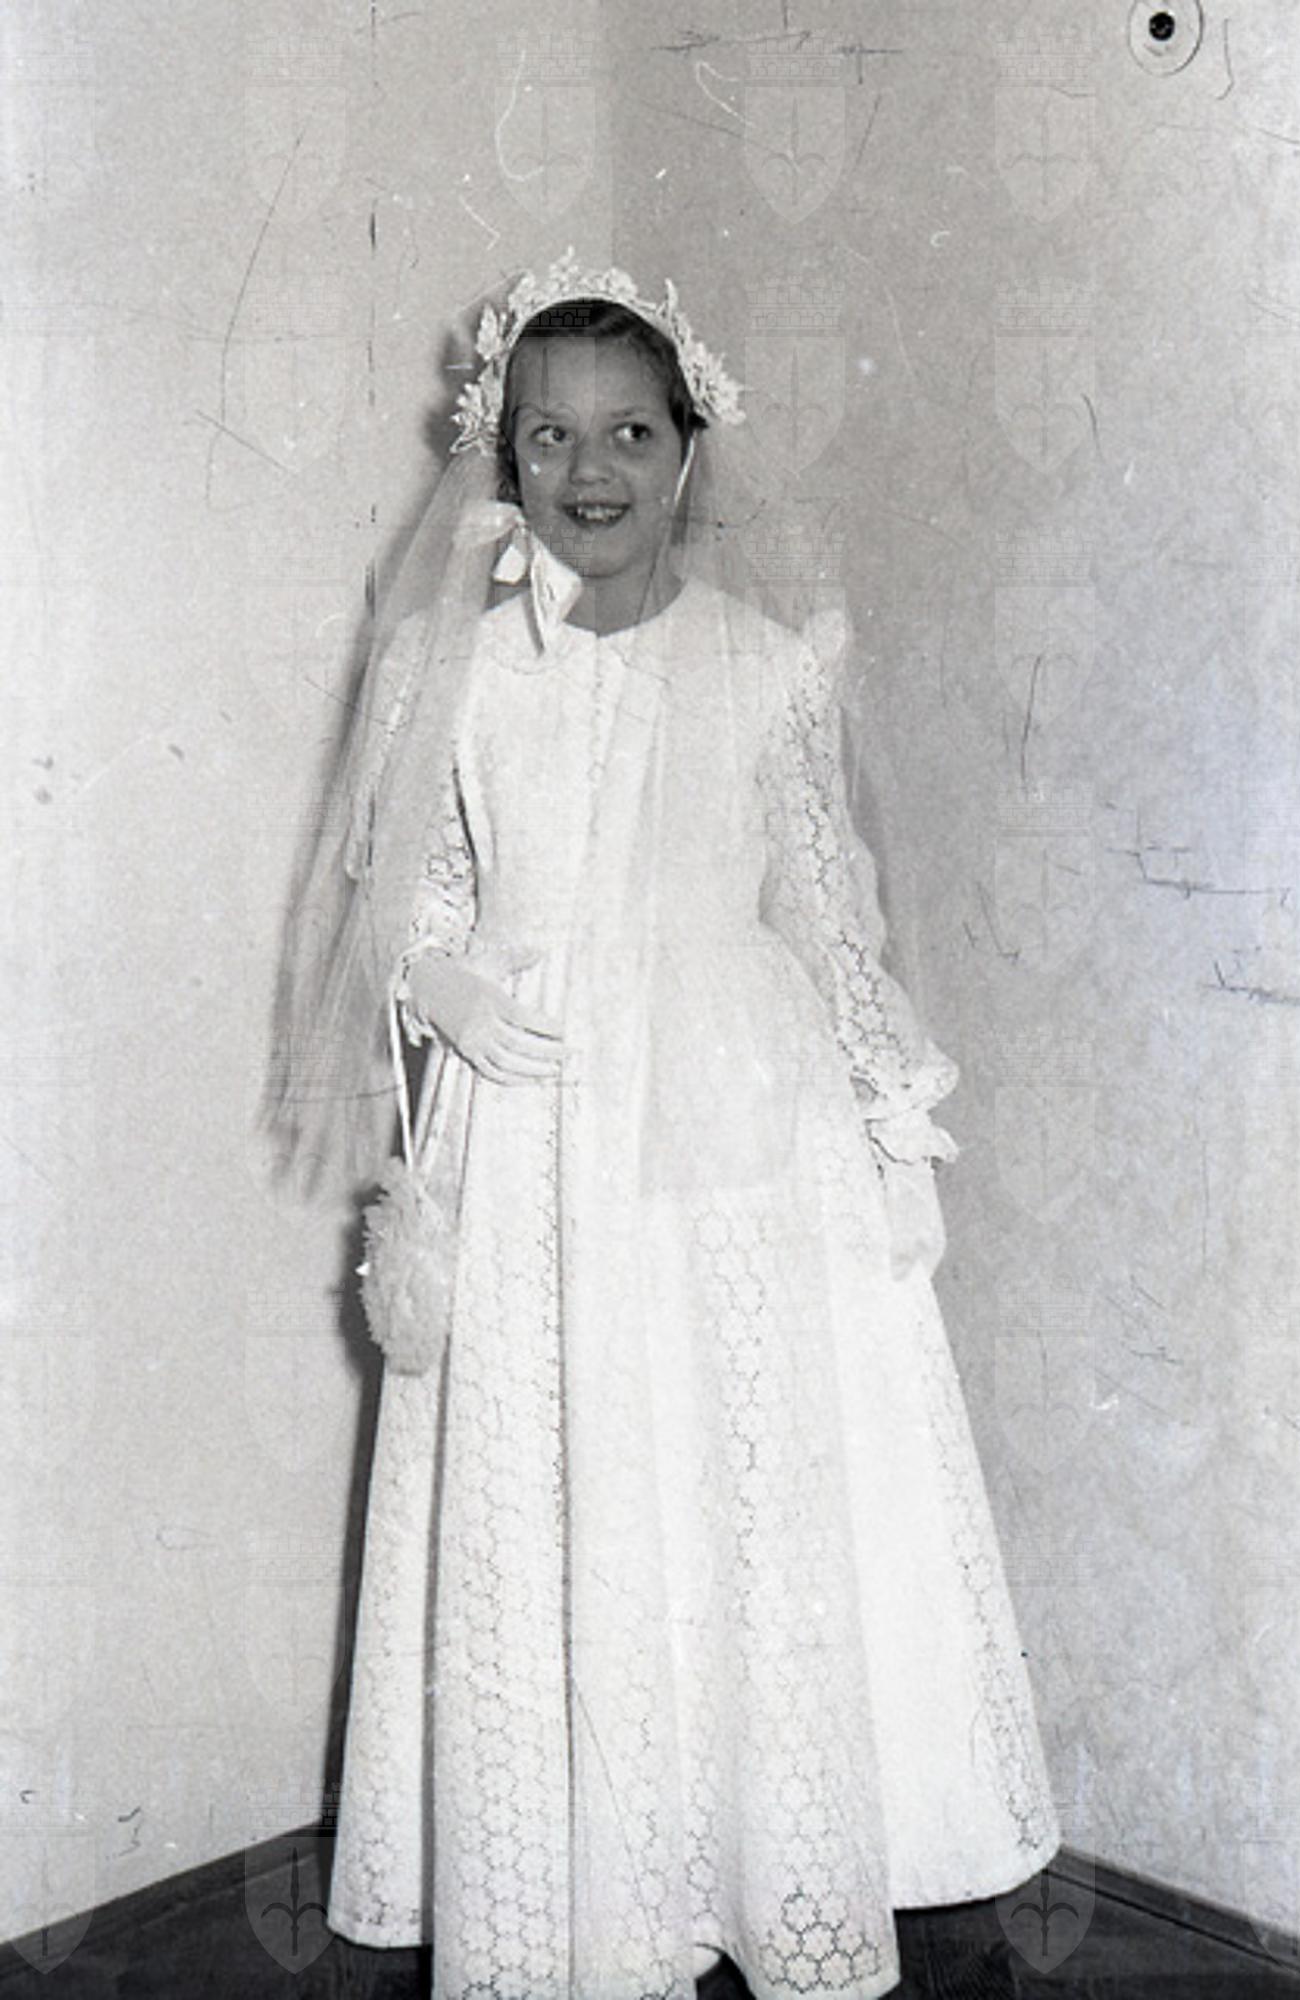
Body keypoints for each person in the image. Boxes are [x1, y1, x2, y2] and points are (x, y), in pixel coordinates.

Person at [266, 248, 1061, 2000]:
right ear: (503, 455)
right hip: (533, 1120)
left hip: (736, 1135)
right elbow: (405, 891)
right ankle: (584, 1897)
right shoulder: (447, 667)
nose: (592, 470)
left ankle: (751, 1864)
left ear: (690, 451)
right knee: (559, 1489)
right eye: (551, 435)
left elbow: (825, 914)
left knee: (736, 1484)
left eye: (631, 431)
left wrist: (893, 1121)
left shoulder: (769, 664)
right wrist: (448, 979)